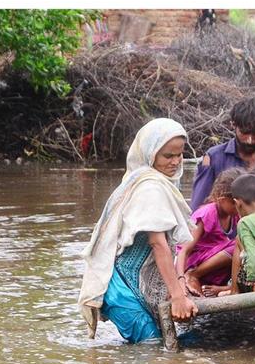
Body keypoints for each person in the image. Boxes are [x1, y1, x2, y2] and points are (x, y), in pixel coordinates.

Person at [78, 118, 198, 343]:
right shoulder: (150, 187)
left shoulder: (156, 182)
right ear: (150, 154)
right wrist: (178, 296)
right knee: (150, 351)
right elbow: (158, 243)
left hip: (133, 288)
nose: (175, 162)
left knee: (162, 349)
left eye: (180, 154)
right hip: (123, 292)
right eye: (168, 156)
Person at [190, 97, 255, 209]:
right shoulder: (214, 157)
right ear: (233, 125)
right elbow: (199, 206)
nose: (249, 140)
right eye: (244, 133)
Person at [177, 167, 245, 297]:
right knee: (237, 243)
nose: (238, 207)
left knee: (245, 246)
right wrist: (179, 279)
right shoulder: (207, 213)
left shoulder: (234, 214)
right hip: (194, 261)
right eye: (234, 203)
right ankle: (193, 275)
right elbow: (184, 249)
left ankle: (227, 287)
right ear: (221, 198)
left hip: (212, 263)